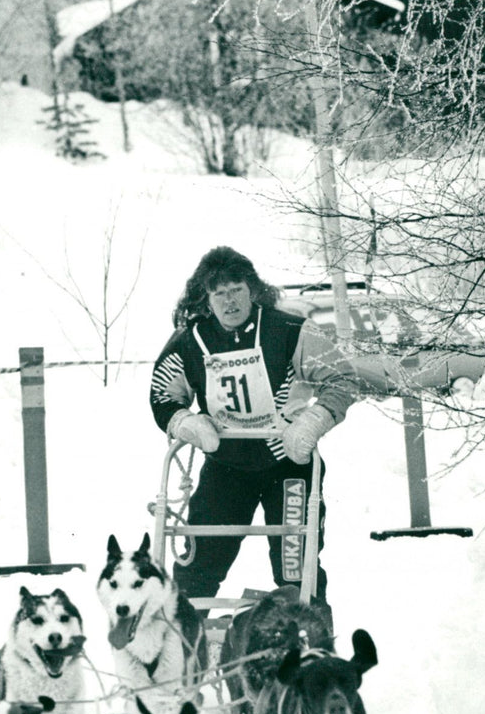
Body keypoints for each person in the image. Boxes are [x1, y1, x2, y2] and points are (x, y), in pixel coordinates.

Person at [149, 246, 359, 617]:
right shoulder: (189, 342)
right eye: (220, 293)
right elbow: (162, 395)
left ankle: (311, 653)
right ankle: (183, 652)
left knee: (296, 569)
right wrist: (188, 423)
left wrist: (313, 420)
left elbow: (342, 379)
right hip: (226, 464)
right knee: (198, 565)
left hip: (287, 463)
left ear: (253, 290)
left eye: (237, 290)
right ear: (206, 299)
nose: (230, 301)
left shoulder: (290, 330)